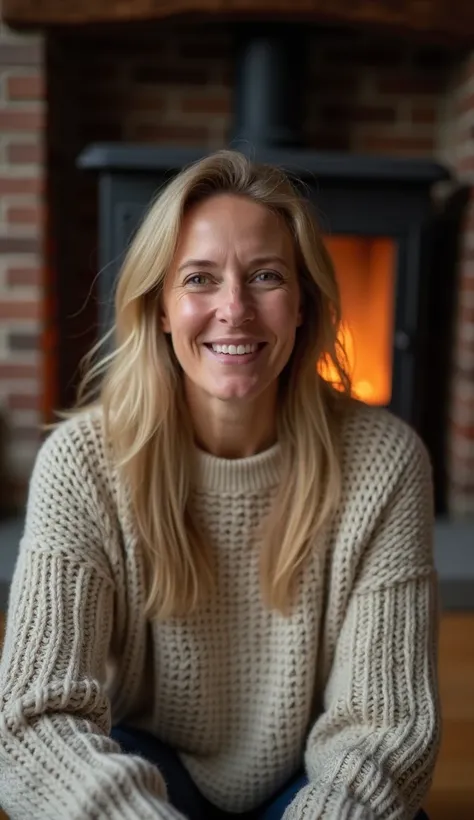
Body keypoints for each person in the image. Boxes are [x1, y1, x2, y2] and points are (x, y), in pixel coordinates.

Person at [0, 150, 439, 820]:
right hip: (147, 773)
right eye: (200, 279)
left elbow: (386, 728)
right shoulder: (82, 463)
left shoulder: (386, 462)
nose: (234, 308)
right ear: (162, 309)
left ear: (301, 305)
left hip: (311, 774)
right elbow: (32, 719)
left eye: (265, 276)